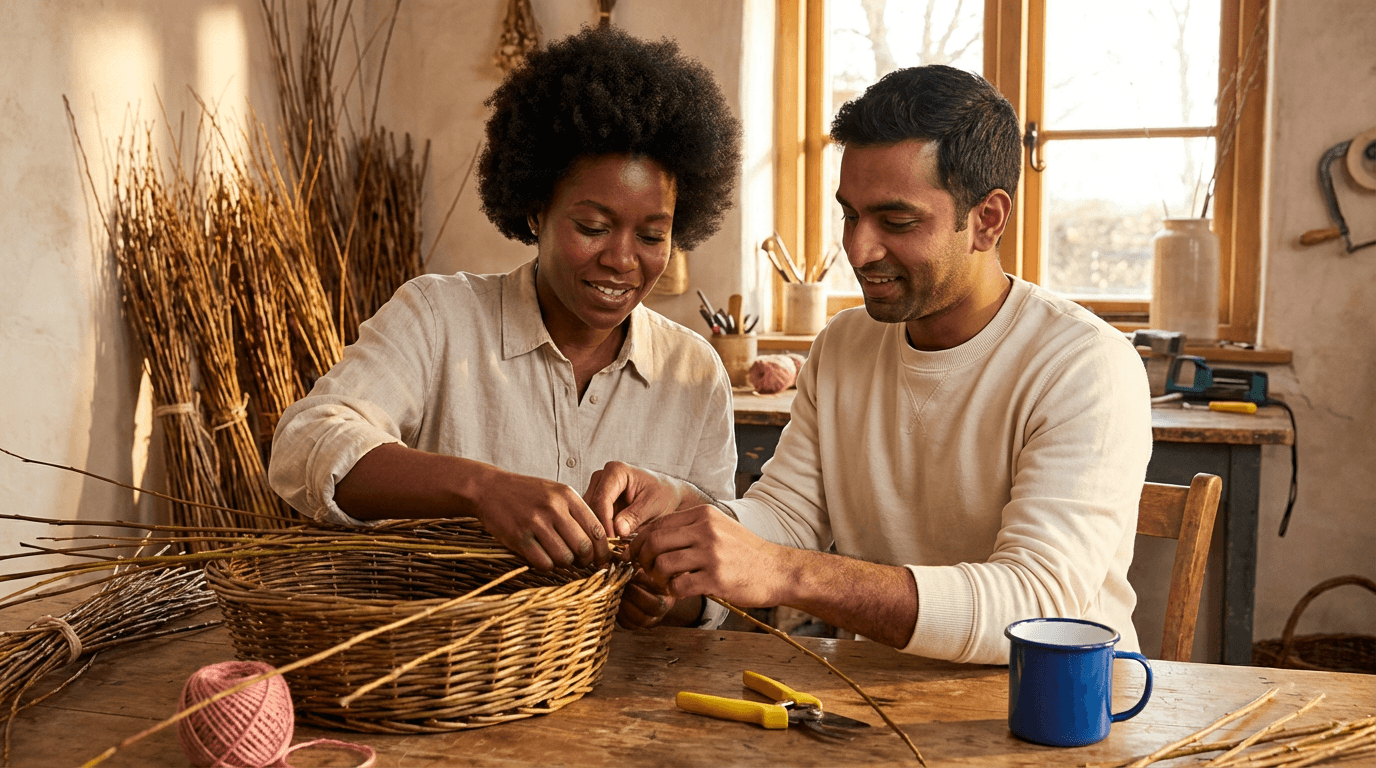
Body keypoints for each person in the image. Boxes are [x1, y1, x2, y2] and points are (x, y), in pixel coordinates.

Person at [588, 65, 1153, 665]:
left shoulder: (1086, 366)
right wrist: (684, 510)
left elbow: (1036, 607)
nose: (858, 250)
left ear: (987, 220)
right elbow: (787, 515)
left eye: (897, 221)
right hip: (879, 701)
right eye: (851, 215)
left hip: (1059, 722)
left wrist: (789, 575)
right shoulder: (843, 345)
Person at [269, 26, 742, 578]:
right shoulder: (437, 318)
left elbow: (718, 566)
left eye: (652, 235)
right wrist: (481, 489)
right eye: (593, 226)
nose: (622, 259)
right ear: (535, 210)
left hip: (625, 665)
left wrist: (666, 599)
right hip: (453, 659)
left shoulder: (694, 372)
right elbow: (306, 446)